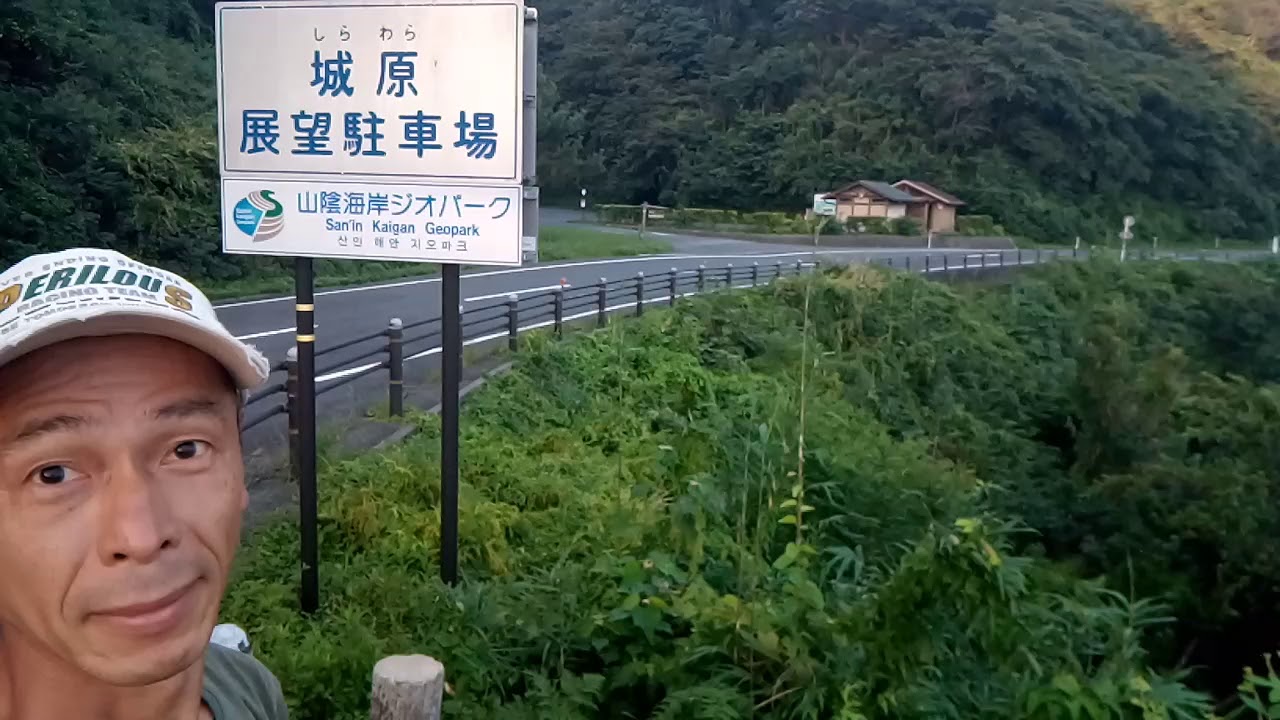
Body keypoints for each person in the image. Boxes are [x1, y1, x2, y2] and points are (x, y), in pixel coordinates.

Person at [0, 248, 288, 719]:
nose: (142, 537)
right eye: (53, 474)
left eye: (186, 450)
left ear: (239, 474)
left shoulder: (249, 690)